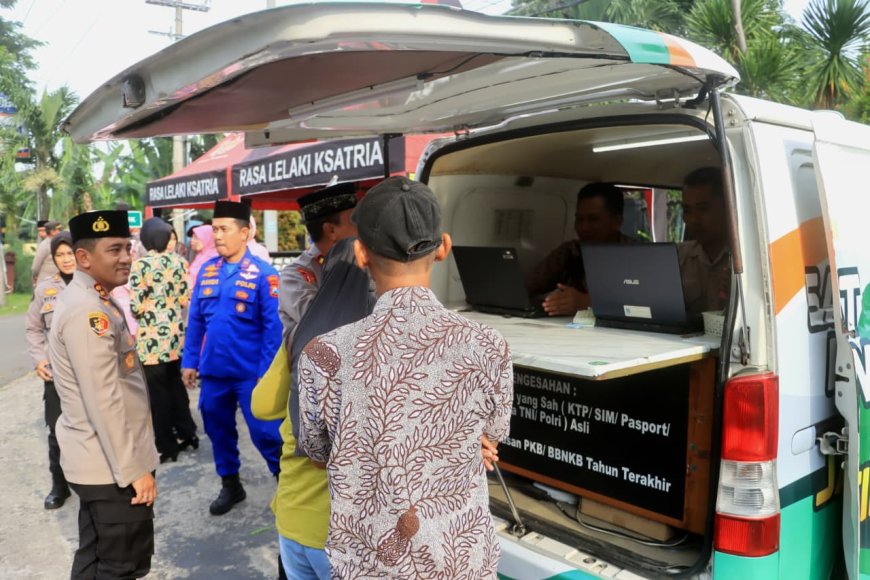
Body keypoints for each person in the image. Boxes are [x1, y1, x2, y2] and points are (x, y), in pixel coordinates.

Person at [298, 176, 514, 578]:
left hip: (367, 565)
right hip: (460, 561)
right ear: (443, 247)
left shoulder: (323, 354)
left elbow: (318, 452)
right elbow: (489, 438)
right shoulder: (488, 345)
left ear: (360, 253)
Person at [253, 237, 375, 579]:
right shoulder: (377, 346)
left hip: (292, 517)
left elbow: (262, 407)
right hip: (344, 530)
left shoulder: (298, 338)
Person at [47, 210, 159, 579]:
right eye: (114, 250)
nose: (126, 257)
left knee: (96, 558)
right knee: (121, 566)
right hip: (111, 467)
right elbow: (104, 398)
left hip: (102, 461)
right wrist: (134, 470)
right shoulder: (87, 311)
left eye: (127, 248)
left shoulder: (93, 298)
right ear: (83, 258)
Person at [182, 201, 283, 516]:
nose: (217, 235)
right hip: (214, 371)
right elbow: (196, 320)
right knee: (217, 428)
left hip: (251, 373)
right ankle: (231, 484)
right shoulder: (207, 271)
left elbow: (273, 330)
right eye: (214, 229)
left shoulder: (264, 275)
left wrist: (266, 373)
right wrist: (189, 361)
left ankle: (285, 484)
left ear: (244, 233)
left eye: (224, 229)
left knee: (266, 432)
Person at [131, 218, 198, 464]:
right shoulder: (180, 262)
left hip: (151, 340)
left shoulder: (140, 265)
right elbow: (184, 299)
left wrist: (149, 305)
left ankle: (167, 445)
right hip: (175, 334)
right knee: (176, 387)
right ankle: (188, 432)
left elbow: (136, 306)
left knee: (157, 395)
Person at [525, 183, 632, 316]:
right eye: (579, 219)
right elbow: (524, 289)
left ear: (617, 221)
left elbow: (645, 305)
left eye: (593, 219)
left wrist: (588, 303)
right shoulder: (570, 252)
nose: (583, 227)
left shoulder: (638, 257)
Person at [25, 231, 76, 510]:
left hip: (90, 374)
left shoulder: (94, 285)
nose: (66, 259)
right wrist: (39, 359)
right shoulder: (45, 289)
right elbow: (33, 328)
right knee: (57, 430)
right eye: (60, 255)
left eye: (70, 253)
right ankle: (59, 486)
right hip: (56, 373)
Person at [278, 182, 358, 340]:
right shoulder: (296, 275)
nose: (361, 227)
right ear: (331, 230)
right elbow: (321, 321)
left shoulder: (361, 263)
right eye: (354, 221)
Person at [677, 167, 730, 317]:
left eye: (703, 209)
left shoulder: (747, 262)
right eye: (687, 211)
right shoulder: (677, 258)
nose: (694, 220)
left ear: (727, 209)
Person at [31, 220, 63, 285]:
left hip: (59, 281)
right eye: (58, 230)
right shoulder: (44, 245)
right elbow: (35, 267)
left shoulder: (60, 243)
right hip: (46, 282)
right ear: (52, 232)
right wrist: (34, 276)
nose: (60, 232)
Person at [188, 224, 218, 289]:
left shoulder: (215, 259)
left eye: (196, 238)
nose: (192, 240)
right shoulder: (199, 256)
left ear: (207, 238)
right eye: (192, 237)